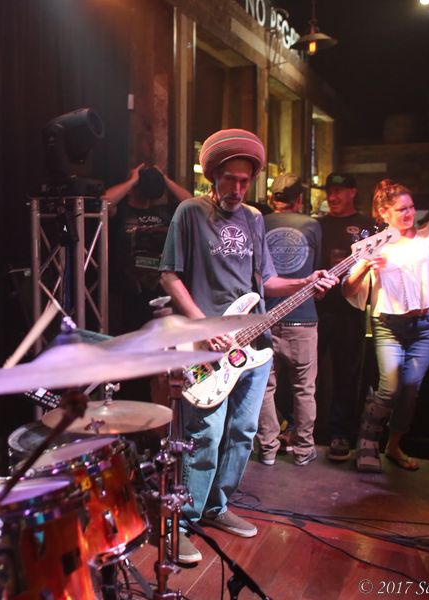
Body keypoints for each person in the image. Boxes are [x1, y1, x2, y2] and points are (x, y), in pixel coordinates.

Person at [159, 129, 338, 564]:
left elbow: (267, 282)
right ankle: (182, 523)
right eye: (231, 179)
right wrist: (203, 326)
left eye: (245, 181)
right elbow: (169, 275)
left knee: (243, 432)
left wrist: (306, 281)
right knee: (205, 435)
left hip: (253, 345)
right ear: (213, 175)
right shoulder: (190, 212)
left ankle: (216, 507)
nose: (238, 189)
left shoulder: (255, 219)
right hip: (206, 343)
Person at [343, 144, 429, 473]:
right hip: (389, 325)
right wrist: (365, 266)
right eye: (401, 209)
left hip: (428, 324)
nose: (409, 213)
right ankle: (367, 440)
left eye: (411, 207)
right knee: (390, 388)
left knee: (411, 388)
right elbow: (348, 289)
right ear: (384, 214)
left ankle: (394, 445)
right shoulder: (372, 245)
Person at [255, 173, 322, 467]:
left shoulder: (258, 222)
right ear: (300, 199)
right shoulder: (312, 225)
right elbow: (316, 268)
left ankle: (268, 449)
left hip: (264, 318)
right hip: (302, 317)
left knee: (264, 388)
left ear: (272, 198)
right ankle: (304, 450)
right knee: (304, 389)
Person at [315, 172, 377, 462]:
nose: (333, 196)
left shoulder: (367, 226)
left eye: (339, 191)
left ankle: (340, 433)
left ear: (352, 192)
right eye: (330, 191)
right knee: (309, 374)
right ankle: (307, 429)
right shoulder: (317, 224)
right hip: (317, 308)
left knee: (347, 375)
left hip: (350, 311)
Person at [104, 163, 191, 334]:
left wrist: (165, 180)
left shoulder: (164, 211)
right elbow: (103, 201)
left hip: (161, 291)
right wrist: (132, 181)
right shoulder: (122, 210)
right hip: (127, 293)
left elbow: (190, 204)